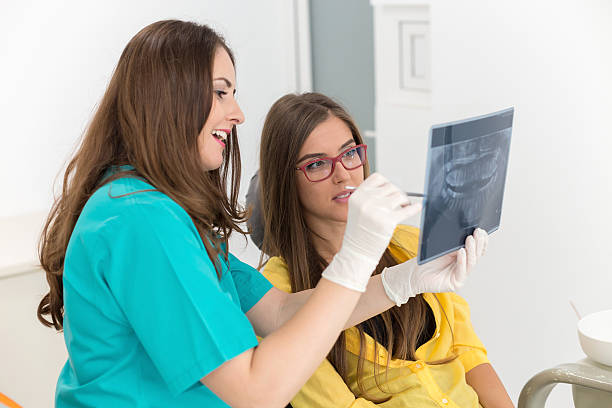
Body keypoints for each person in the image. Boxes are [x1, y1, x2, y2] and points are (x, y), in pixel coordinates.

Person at [36, 21, 485, 408]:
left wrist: (404, 281)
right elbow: (255, 392)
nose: (238, 113)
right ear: (169, 99)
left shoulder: (164, 214)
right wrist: (357, 253)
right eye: (220, 93)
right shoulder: (140, 221)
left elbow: (281, 313)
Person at [257, 92, 515, 408]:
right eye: (317, 164)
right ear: (286, 180)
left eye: (350, 154)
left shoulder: (408, 243)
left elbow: (469, 353)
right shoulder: (274, 294)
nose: (343, 174)